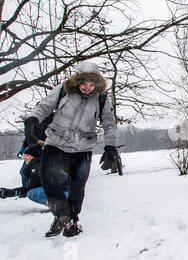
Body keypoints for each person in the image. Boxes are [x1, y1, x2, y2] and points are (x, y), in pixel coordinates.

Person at [24, 61, 118, 237]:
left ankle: (71, 221)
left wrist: (110, 147)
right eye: (84, 84)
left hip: (83, 147)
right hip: (56, 142)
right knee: (49, 178)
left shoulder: (102, 98)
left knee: (77, 186)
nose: (87, 88)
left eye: (92, 85)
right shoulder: (63, 90)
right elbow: (44, 106)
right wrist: (32, 119)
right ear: (77, 80)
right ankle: (62, 215)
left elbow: (109, 123)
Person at [1, 144, 69, 206]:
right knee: (32, 192)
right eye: (25, 155)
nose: (25, 157)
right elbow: (26, 187)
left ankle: (58, 205)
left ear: (34, 157)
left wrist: (7, 193)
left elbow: (28, 189)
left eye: (28, 155)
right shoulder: (29, 166)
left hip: (64, 191)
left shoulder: (38, 167)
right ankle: (55, 204)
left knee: (32, 194)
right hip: (55, 190)